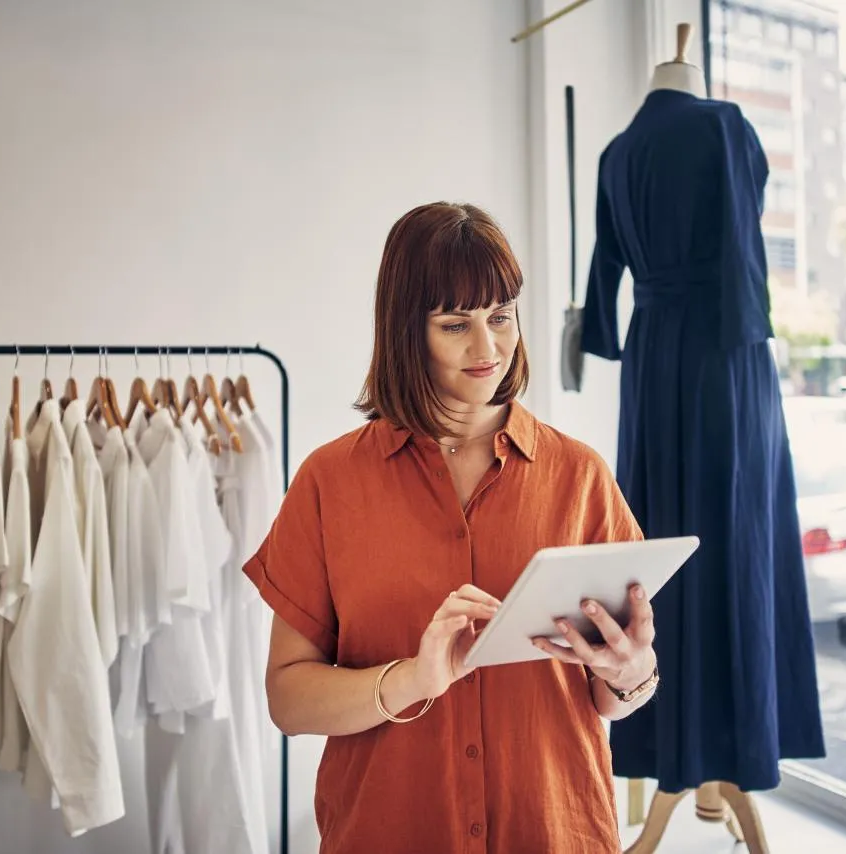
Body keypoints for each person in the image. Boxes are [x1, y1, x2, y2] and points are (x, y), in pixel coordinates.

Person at [242, 201, 660, 853]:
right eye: (455, 323)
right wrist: (414, 679)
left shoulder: (578, 475)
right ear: (408, 329)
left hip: (555, 833)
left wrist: (632, 672)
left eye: (500, 316)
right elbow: (289, 699)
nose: (488, 347)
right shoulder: (330, 482)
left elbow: (608, 698)